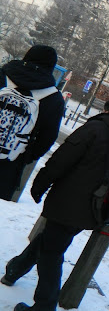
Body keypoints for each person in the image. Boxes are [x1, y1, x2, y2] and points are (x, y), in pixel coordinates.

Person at [1, 97, 109, 311]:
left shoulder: (94, 129)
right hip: (95, 210)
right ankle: (14, 270)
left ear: (108, 110)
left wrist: (40, 184)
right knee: (51, 240)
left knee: (51, 252)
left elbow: (61, 159)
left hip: (66, 202)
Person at [0, 45, 65, 200]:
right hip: (9, 165)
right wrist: (25, 156)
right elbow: (48, 137)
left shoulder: (2, 76)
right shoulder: (53, 97)